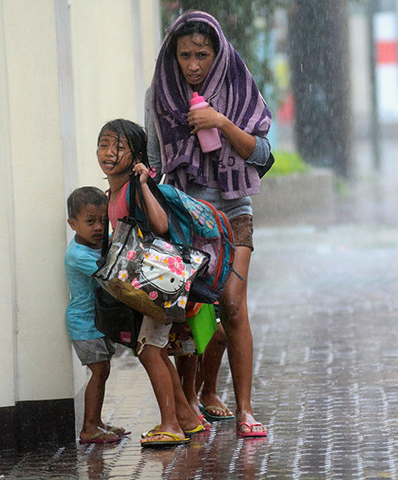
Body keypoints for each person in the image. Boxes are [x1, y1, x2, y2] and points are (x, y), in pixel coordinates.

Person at [146, 10, 272, 438]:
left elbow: (263, 156)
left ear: (217, 53)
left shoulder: (238, 85)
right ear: (173, 54)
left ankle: (246, 411)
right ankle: (194, 399)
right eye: (185, 55)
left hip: (234, 214)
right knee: (192, 314)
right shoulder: (161, 94)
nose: (194, 64)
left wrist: (220, 122)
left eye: (202, 54)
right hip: (186, 219)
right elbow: (156, 163)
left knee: (233, 305)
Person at [96, 118, 208, 447]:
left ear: (136, 155)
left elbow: (160, 225)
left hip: (159, 283)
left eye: (119, 147)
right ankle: (186, 418)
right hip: (146, 288)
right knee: (152, 350)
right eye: (104, 144)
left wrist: (144, 184)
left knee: (149, 352)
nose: (110, 152)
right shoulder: (111, 192)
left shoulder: (134, 187)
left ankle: (170, 424)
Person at [65, 186, 130, 444]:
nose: (99, 228)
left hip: (98, 322)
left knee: (103, 371)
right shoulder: (77, 255)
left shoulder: (95, 246)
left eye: (103, 220)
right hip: (84, 323)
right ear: (73, 224)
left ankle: (97, 422)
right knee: (100, 371)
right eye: (90, 221)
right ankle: (89, 427)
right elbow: (109, 272)